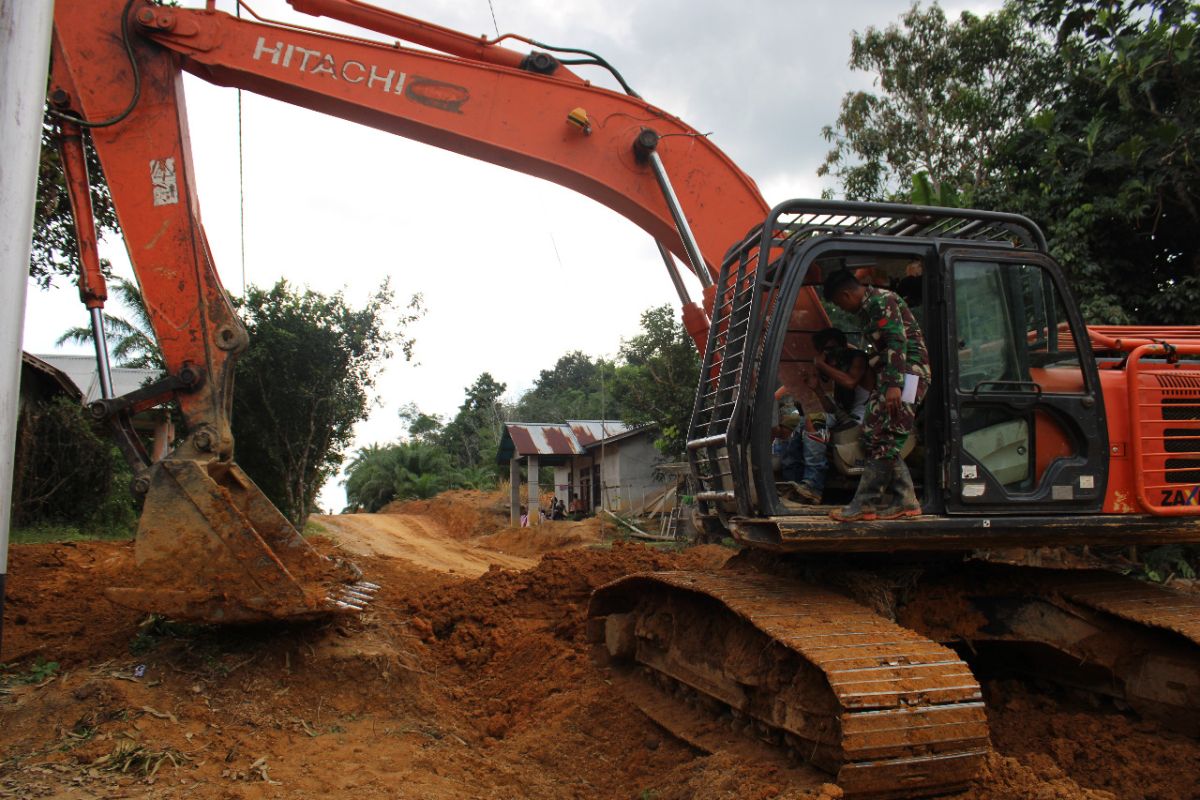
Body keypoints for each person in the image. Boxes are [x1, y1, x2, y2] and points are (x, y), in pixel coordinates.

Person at [823, 269, 930, 521]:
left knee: (889, 433)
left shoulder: (882, 302)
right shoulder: (868, 309)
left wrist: (894, 385)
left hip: (910, 375)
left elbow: (896, 341)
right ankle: (905, 500)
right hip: (894, 375)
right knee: (872, 431)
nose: (843, 308)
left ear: (846, 294)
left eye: (840, 303)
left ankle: (866, 503)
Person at [784, 327, 872, 504]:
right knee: (798, 423)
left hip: (863, 420)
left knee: (815, 421)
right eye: (826, 351)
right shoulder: (839, 367)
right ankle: (792, 481)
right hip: (845, 419)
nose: (831, 354)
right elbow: (834, 411)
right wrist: (817, 388)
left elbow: (850, 382)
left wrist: (822, 364)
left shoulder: (857, 359)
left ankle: (813, 485)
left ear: (843, 346)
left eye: (833, 349)